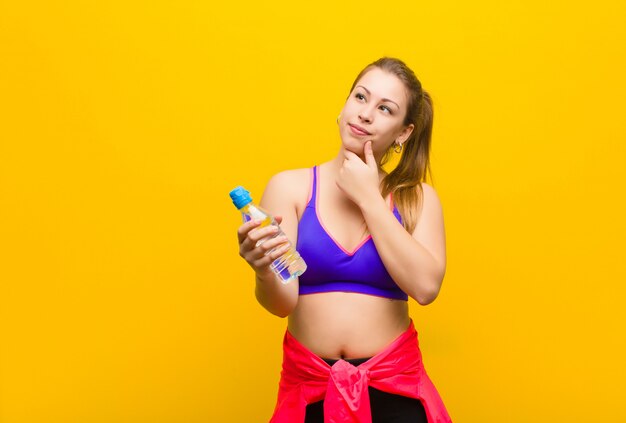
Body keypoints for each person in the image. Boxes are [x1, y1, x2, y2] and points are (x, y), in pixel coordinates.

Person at [237, 57, 451, 422]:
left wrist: (370, 198)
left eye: (385, 108)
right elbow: (282, 303)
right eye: (360, 97)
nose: (366, 114)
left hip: (394, 388)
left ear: (403, 132)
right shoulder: (290, 187)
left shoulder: (419, 198)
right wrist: (262, 270)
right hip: (310, 389)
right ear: (344, 105)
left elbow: (426, 288)